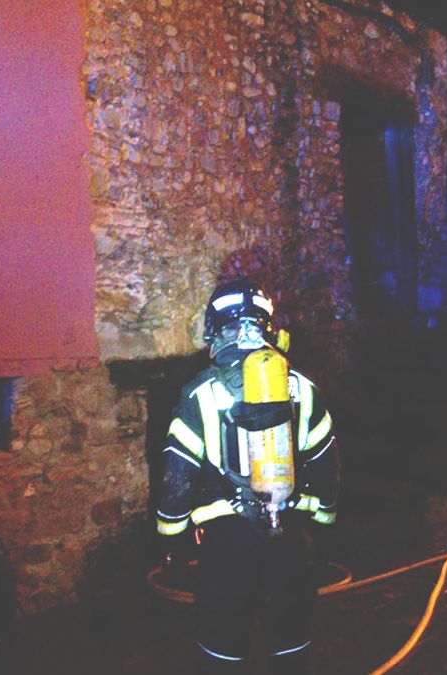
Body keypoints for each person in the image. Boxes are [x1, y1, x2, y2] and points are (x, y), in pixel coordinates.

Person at [155, 279, 340, 674]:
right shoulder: (305, 389)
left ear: (213, 330)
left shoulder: (199, 394)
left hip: (227, 544)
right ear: (270, 328)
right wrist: (322, 523)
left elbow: (176, 477)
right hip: (290, 535)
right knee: (290, 641)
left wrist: (172, 539)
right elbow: (326, 463)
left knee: (222, 643)